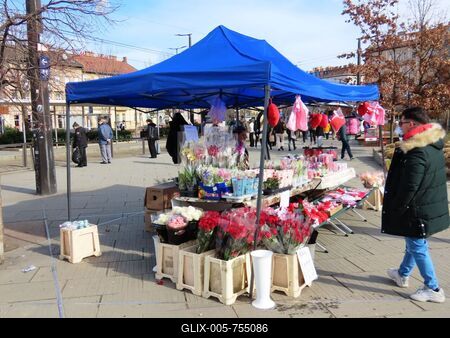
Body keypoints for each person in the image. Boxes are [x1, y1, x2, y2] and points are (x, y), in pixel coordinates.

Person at [383, 107, 449, 303]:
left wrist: (396, 208)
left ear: (412, 124)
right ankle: (402, 274)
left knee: (417, 244)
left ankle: (433, 288)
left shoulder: (417, 149)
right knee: (414, 241)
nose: (399, 127)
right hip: (426, 204)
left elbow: (410, 186)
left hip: (417, 208)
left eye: (401, 122)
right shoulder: (431, 142)